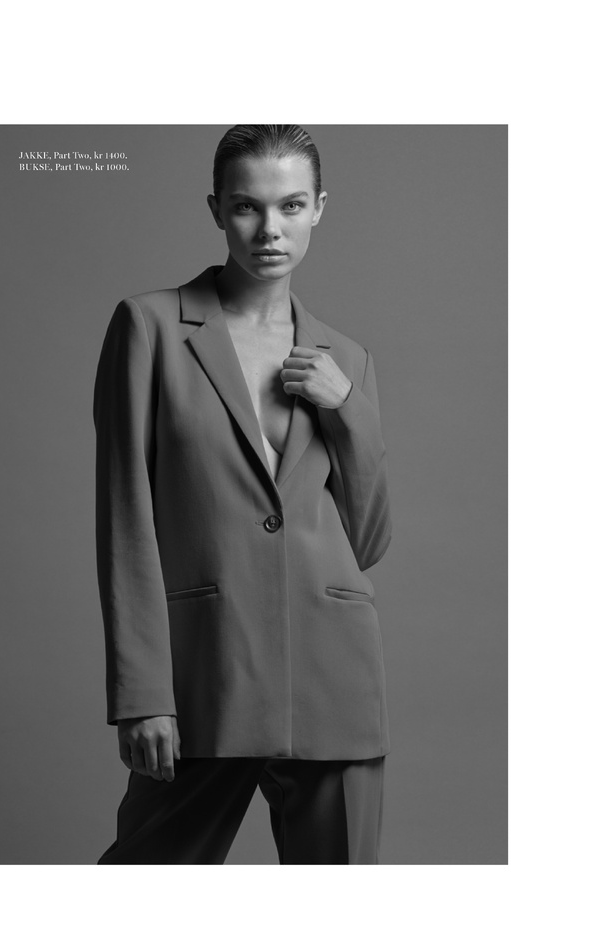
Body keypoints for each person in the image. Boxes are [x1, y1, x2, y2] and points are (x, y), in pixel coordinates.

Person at [94, 125, 392, 865]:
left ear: (319, 207)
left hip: (331, 679)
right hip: (206, 674)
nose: (270, 230)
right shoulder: (150, 327)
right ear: (216, 210)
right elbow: (126, 517)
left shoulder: (347, 359)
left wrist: (348, 409)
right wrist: (142, 694)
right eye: (246, 206)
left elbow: (368, 540)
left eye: (290, 205)